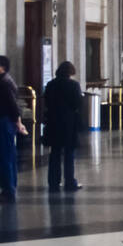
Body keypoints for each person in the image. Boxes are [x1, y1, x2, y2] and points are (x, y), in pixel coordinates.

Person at [43, 61, 83, 192]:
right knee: (69, 153)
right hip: (68, 123)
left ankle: (53, 181)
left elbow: (47, 101)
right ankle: (70, 182)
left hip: (53, 122)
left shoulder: (50, 84)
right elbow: (77, 103)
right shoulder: (73, 85)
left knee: (54, 153)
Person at [0, 56, 27, 202]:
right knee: (9, 155)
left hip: (4, 121)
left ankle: (8, 189)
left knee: (5, 156)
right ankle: (10, 187)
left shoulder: (3, 83)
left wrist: (18, 122)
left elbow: (12, 105)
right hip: (7, 121)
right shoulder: (7, 80)